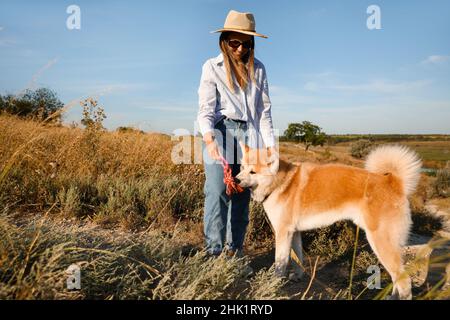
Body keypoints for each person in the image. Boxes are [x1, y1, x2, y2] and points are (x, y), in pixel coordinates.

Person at [197, 10, 276, 257]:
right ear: (224, 41)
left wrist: (271, 146)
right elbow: (205, 110)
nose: (240, 48)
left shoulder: (259, 69)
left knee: (242, 190)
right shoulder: (212, 67)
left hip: (250, 134)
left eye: (246, 43)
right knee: (218, 189)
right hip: (220, 131)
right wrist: (209, 140)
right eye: (235, 42)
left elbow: (264, 112)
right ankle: (214, 252)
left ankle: (236, 249)